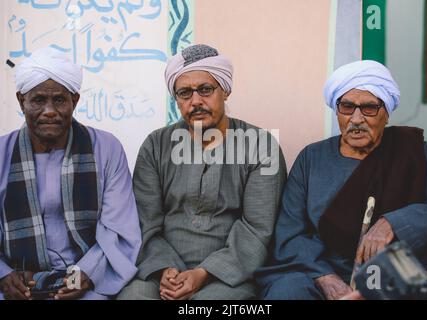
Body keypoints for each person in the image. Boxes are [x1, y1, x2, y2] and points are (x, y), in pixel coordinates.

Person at [255, 60, 427, 300]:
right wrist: (326, 278)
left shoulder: (414, 153)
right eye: (347, 107)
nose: (356, 119)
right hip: (315, 269)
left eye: (369, 108)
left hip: (387, 268)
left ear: (386, 113)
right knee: (286, 292)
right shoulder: (311, 158)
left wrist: (393, 223)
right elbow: (290, 232)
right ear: (337, 110)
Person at [118, 44, 287, 300]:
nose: (195, 101)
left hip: (228, 276)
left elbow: (258, 228)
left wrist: (204, 273)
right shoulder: (156, 145)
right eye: (184, 93)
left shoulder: (260, 145)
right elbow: (144, 222)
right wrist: (166, 270)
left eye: (206, 90)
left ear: (225, 91)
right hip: (161, 270)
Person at [0, 47, 142, 300]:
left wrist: (86, 273)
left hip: (85, 281)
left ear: (74, 101)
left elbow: (119, 228)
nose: (50, 111)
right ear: (22, 101)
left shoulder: (106, 149)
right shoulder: (2, 153)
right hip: (17, 284)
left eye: (59, 100)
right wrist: (3, 274)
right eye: (38, 100)